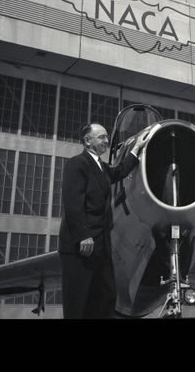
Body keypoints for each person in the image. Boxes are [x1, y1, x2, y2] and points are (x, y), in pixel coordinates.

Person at [58, 122, 149, 319]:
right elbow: (73, 203)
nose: (106, 141)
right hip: (81, 246)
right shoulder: (77, 164)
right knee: (79, 302)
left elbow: (121, 171)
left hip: (100, 246)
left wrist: (135, 149)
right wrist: (83, 235)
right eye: (101, 137)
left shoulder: (102, 168)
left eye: (107, 137)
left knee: (106, 297)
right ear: (87, 141)